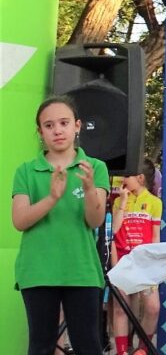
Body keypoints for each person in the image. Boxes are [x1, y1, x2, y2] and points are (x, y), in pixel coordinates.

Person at [13, 95, 109, 355]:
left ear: (77, 126)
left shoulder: (95, 168)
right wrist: (52, 197)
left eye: (64, 123)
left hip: (82, 270)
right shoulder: (26, 171)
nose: (57, 130)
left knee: (88, 344)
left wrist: (89, 189)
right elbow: (19, 220)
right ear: (40, 131)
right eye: (49, 125)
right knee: (41, 345)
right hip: (38, 270)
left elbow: (95, 220)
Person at [111, 160, 163, 355]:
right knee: (120, 307)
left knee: (153, 308)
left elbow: (155, 235)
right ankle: (122, 351)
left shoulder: (155, 203)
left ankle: (142, 349)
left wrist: (155, 267)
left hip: (145, 264)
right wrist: (123, 203)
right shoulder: (118, 201)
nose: (123, 180)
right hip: (123, 262)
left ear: (140, 178)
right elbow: (113, 232)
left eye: (127, 176)